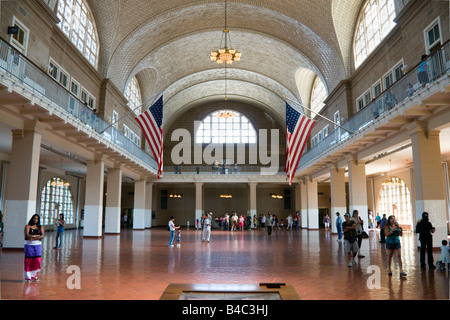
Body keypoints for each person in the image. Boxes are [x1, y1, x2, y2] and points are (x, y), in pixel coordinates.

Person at [24, 214, 45, 282]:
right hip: (29, 245)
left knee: (37, 260)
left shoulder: (40, 227)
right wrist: (37, 236)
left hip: (37, 245)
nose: (35, 220)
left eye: (36, 219)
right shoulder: (28, 226)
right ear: (32, 219)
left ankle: (34, 275)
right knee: (29, 260)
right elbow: (27, 236)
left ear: (38, 220)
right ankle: (28, 276)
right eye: (34, 218)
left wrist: (32, 237)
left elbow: (42, 236)